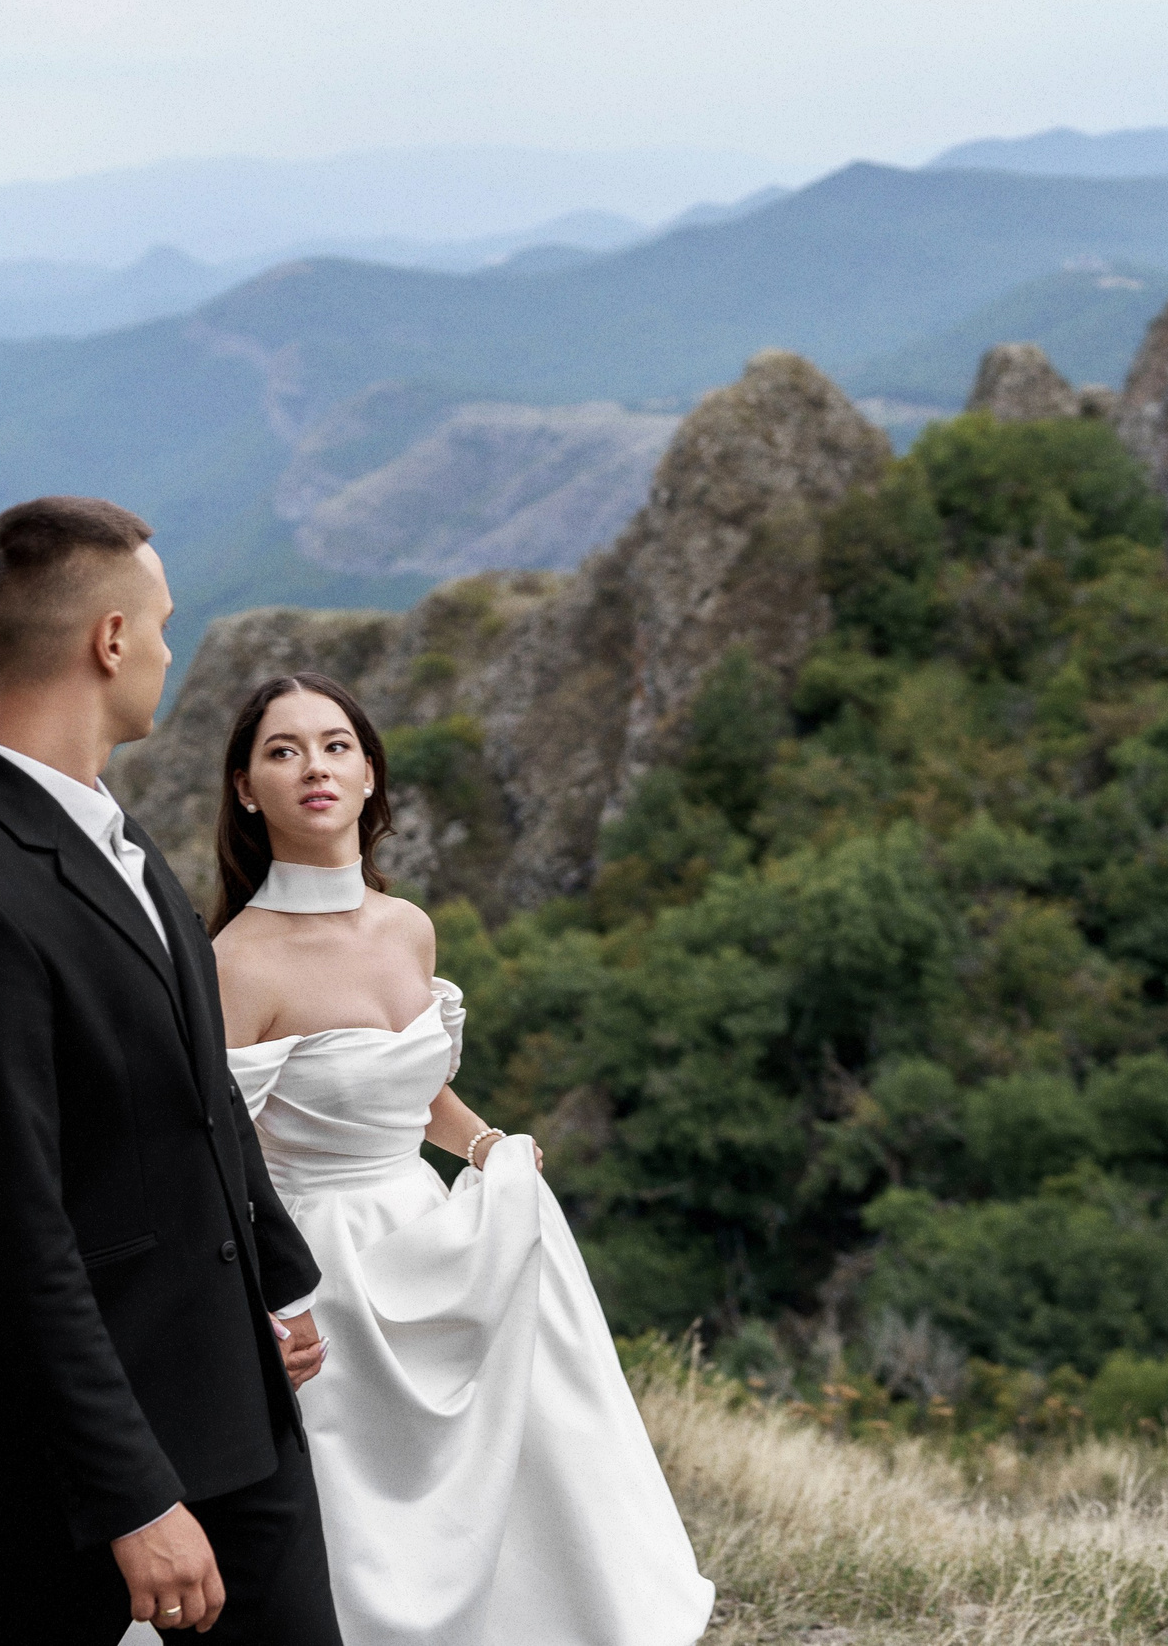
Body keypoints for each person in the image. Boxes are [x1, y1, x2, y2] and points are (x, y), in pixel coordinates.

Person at [0, 498, 345, 1645]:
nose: (174, 653)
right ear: (112, 640)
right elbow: (4, 1234)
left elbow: (198, 1090)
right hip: (59, 1461)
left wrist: (271, 1283)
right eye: (165, 624)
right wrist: (131, 1490)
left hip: (226, 1393)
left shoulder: (109, 834)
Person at [210, 671, 717, 1646]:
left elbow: (415, 1092)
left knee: (509, 1495)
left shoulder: (407, 928)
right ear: (244, 789)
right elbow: (214, 1156)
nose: (312, 765)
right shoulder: (237, 963)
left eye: (334, 745)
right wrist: (255, 1310)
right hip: (318, 1271)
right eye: (281, 750)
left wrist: (487, 1147)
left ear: (369, 775)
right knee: (362, 1534)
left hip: (430, 1234)